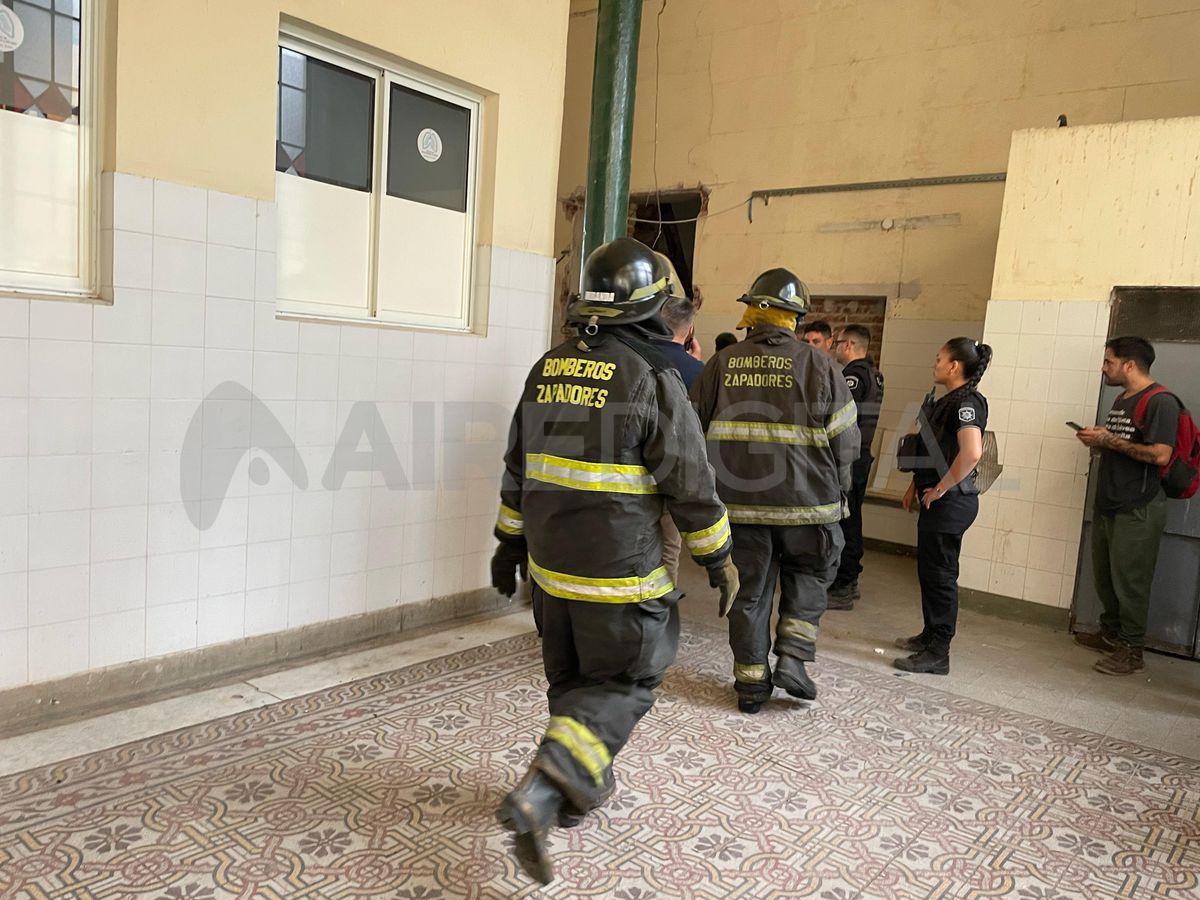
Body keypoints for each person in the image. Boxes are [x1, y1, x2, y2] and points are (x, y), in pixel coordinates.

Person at [490, 237, 738, 884]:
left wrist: (507, 542)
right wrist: (720, 557)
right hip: (618, 578)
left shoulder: (547, 367)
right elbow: (690, 483)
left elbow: (519, 465)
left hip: (550, 577)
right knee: (626, 680)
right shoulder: (651, 377)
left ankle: (579, 788)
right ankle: (545, 790)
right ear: (651, 307)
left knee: (574, 683)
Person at [691, 269, 859, 714]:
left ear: (752, 313)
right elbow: (847, 441)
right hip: (810, 507)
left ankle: (750, 685)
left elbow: (690, 433)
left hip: (740, 508)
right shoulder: (821, 365)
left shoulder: (721, 364)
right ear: (796, 318)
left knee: (747, 593)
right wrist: (840, 495)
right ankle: (792, 659)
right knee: (809, 576)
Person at [1074, 336, 1179, 676]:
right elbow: (1124, 444)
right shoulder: (1122, 398)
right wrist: (1100, 439)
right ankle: (1112, 634)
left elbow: (1160, 454)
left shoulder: (1161, 402)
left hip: (1139, 506)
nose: (1104, 368)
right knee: (1106, 577)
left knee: (1131, 582)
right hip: (1111, 501)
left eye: (1109, 362)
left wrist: (1109, 440)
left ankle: (1132, 651)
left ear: (1129, 364)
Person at [895, 337, 992, 675]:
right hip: (936, 498)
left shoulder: (968, 402)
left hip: (952, 502)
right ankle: (929, 635)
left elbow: (972, 453)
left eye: (939, 359)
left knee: (941, 576)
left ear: (954, 367)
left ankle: (939, 652)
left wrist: (940, 488)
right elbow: (934, 450)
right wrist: (915, 485)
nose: (934, 364)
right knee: (930, 572)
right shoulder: (945, 400)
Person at [827, 324, 885, 610]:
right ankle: (850, 578)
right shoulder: (874, 374)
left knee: (846, 521)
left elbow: (842, 420)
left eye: (837, 342)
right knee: (854, 520)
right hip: (863, 456)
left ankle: (844, 585)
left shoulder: (852, 376)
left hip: (850, 458)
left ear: (848, 345)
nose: (835, 347)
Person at [655, 267, 705, 585]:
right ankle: (660, 619)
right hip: (674, 476)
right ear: (689, 332)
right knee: (668, 551)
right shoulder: (698, 372)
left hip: (630, 477)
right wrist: (698, 364)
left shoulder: (633, 356)